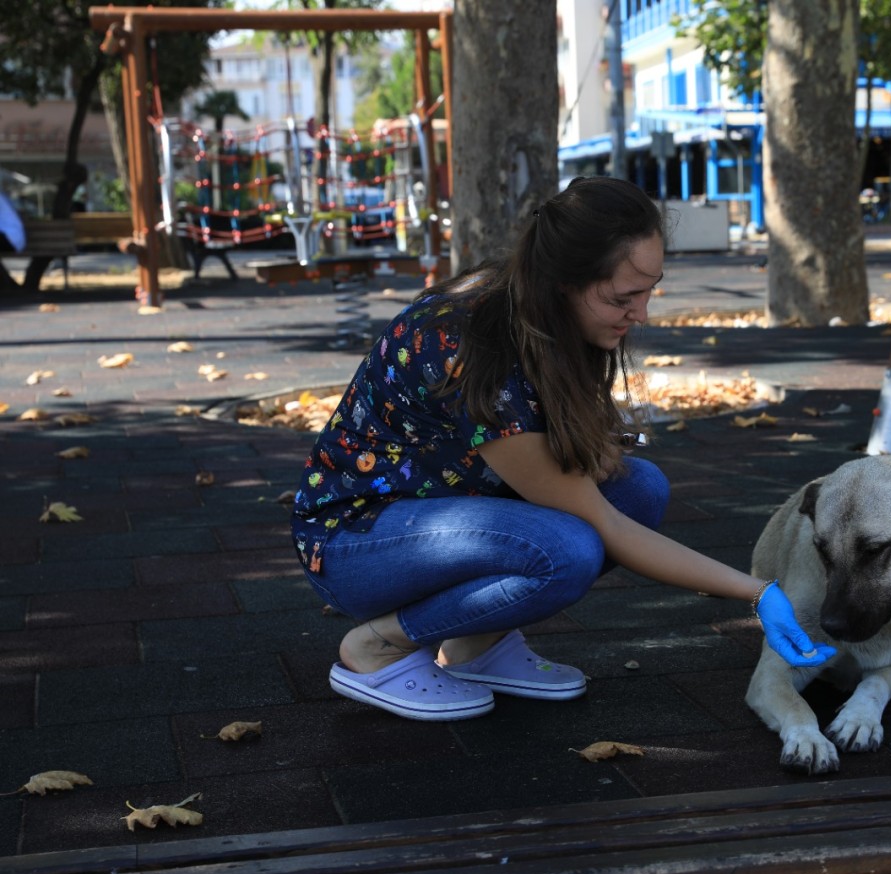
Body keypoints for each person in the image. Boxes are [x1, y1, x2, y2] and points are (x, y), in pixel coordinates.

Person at [291, 176, 835, 721]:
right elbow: (608, 529)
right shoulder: (476, 344)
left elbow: (599, 484)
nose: (641, 313)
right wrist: (758, 593)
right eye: (623, 297)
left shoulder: (543, 314)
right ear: (562, 283)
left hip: (435, 515)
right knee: (567, 550)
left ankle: (475, 645)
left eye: (650, 289)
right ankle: (378, 647)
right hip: (351, 544)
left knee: (640, 489)